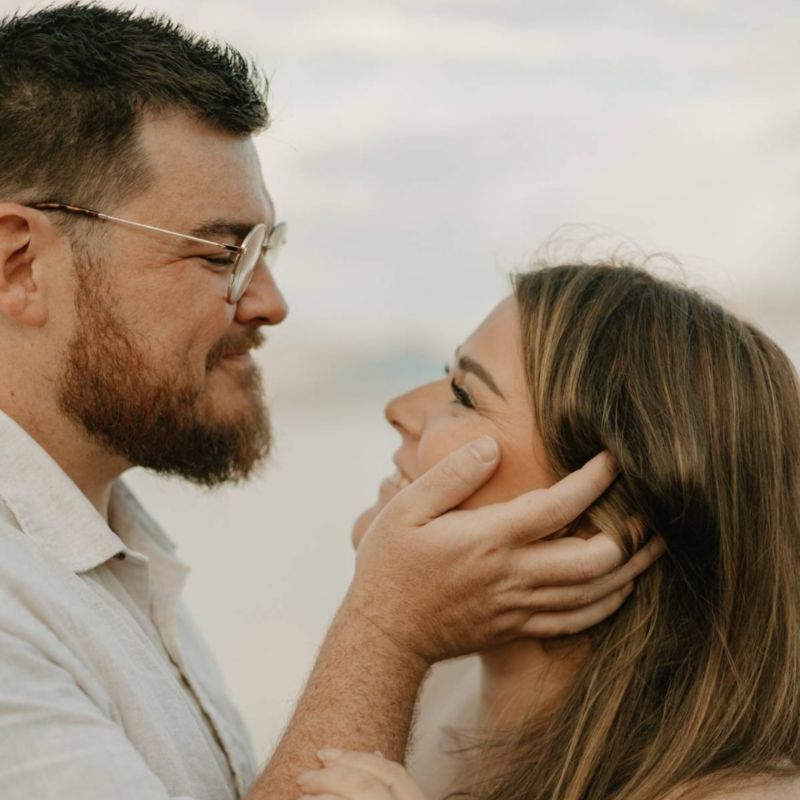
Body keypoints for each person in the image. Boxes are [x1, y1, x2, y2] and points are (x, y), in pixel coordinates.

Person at [0, 6, 662, 800]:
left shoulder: (105, 548)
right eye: (222, 253)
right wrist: (388, 631)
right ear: (19, 265)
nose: (270, 302)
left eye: (264, 250)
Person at [295, 263, 800, 800]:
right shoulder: (435, 674)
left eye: (464, 395)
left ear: (598, 517)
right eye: (448, 373)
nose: (398, 410)